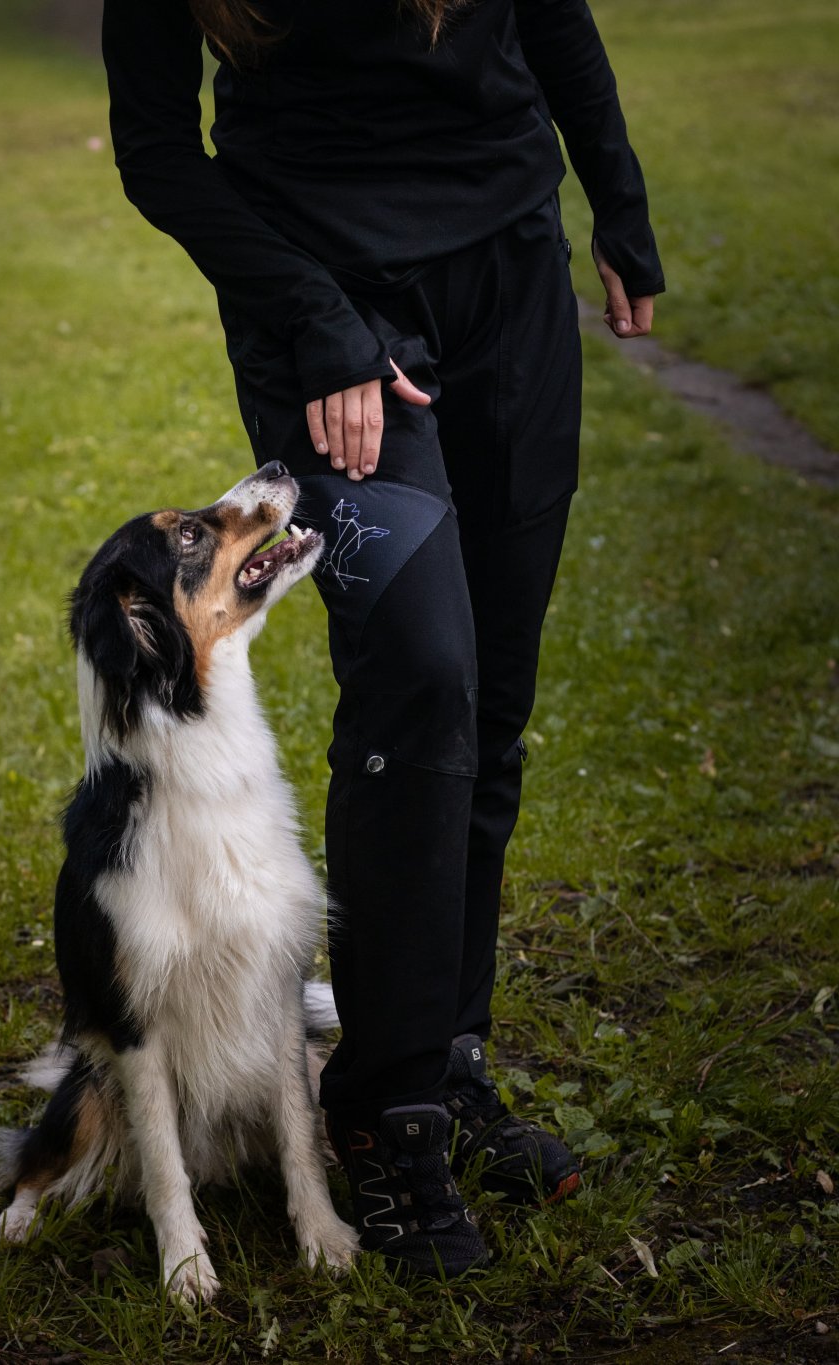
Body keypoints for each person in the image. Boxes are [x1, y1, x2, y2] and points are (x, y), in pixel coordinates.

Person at [101, 0, 664, 1277]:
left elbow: (554, 18)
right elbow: (155, 149)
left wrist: (614, 200)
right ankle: (385, 1106)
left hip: (507, 274)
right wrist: (314, 314)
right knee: (422, 672)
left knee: (490, 692)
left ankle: (452, 1064)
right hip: (324, 305)